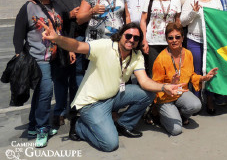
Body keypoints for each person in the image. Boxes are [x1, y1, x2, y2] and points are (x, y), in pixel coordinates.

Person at [41, 21, 185, 152]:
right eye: (128, 35)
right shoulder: (104, 45)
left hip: (114, 96)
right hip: (93, 103)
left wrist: (164, 87)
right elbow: (78, 46)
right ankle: (79, 125)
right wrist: (57, 39)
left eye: (136, 38)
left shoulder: (136, 55)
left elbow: (144, 81)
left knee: (148, 93)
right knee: (110, 144)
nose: (131, 40)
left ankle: (124, 125)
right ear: (121, 35)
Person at [13, 0, 66, 148]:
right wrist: (18, 54)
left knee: (39, 93)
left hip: (54, 57)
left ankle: (33, 125)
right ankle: (43, 128)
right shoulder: (29, 7)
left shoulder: (56, 7)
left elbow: (61, 30)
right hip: (37, 58)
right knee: (45, 92)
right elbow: (18, 33)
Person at [152, 22, 218, 135]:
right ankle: (159, 113)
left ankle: (178, 114)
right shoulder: (160, 59)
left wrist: (204, 78)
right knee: (176, 130)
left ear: (183, 38)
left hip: (181, 92)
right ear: (166, 40)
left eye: (177, 37)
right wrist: (169, 85)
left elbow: (191, 75)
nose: (174, 40)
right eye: (170, 38)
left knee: (196, 105)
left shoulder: (188, 54)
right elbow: (155, 85)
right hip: (165, 97)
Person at [180, 0, 222, 114]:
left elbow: (221, 21)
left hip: (211, 42)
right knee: (196, 71)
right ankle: (196, 99)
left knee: (211, 71)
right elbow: (182, 21)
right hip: (194, 40)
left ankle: (210, 99)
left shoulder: (216, 1)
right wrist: (193, 12)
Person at [51, 0, 87, 128]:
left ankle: (74, 107)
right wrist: (68, 15)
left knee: (77, 77)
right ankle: (59, 111)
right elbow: (51, 18)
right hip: (61, 41)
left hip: (79, 40)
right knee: (60, 79)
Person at [140, 0, 181, 77]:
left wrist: (179, 40)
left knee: (169, 71)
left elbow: (177, 21)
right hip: (153, 42)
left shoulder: (176, 1)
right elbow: (143, 20)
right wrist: (144, 40)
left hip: (170, 41)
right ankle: (153, 93)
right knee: (154, 72)